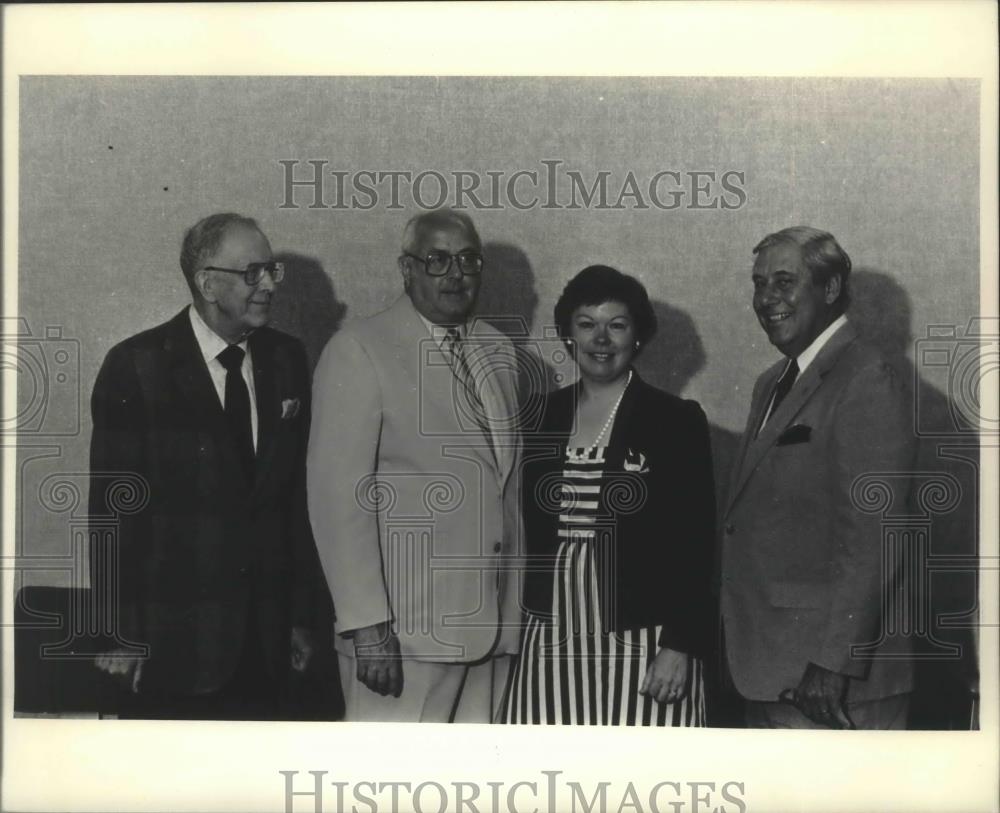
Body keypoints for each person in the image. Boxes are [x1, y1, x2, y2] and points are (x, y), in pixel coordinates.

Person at [89, 212, 324, 719]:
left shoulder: (287, 359)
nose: (268, 285)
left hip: (269, 649)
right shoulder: (136, 366)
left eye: (272, 270)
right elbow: (112, 518)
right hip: (173, 651)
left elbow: (294, 504)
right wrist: (121, 634)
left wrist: (301, 618)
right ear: (207, 283)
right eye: (253, 272)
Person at [307, 209, 522, 722]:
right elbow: (338, 500)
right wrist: (367, 626)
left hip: (489, 633)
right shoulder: (359, 348)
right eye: (437, 260)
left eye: (469, 260)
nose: (455, 274)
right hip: (402, 640)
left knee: (472, 793)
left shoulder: (500, 349)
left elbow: (503, 488)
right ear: (407, 270)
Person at [720, 226, 917, 729]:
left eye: (784, 282)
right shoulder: (773, 383)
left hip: (832, 684)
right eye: (759, 284)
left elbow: (875, 538)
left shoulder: (866, 376)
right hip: (771, 667)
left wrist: (833, 663)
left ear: (830, 290)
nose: (767, 299)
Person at [503, 265, 715, 725]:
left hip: (644, 639)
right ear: (568, 335)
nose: (601, 339)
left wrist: (679, 646)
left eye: (616, 325)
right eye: (587, 324)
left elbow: (697, 545)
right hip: (550, 633)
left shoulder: (674, 419)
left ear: (637, 336)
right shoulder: (540, 416)